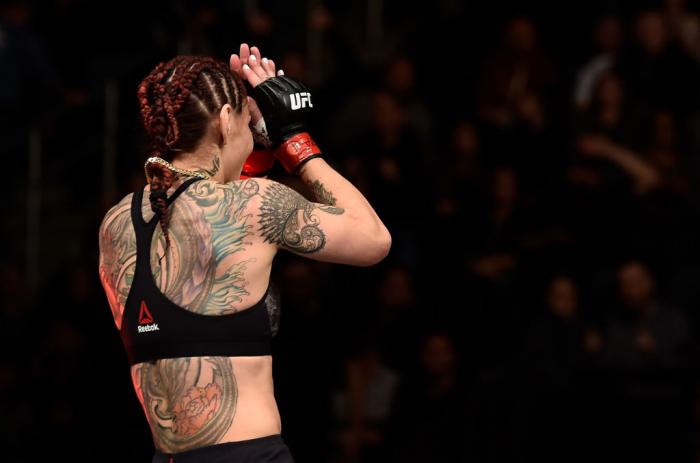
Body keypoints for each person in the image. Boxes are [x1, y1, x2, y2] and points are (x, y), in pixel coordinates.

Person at [97, 43, 391, 463]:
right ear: (223, 121)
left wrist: (247, 160)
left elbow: (203, 234)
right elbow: (373, 239)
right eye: (247, 122)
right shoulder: (252, 204)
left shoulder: (117, 221)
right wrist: (292, 138)